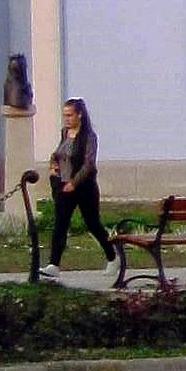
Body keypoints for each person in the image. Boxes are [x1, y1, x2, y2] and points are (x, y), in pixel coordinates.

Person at [48, 95, 110, 269]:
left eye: (70, 115)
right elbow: (59, 153)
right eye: (65, 115)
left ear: (79, 115)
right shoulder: (64, 133)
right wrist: (54, 165)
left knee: (93, 224)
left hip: (84, 187)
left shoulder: (89, 137)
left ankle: (112, 255)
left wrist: (74, 183)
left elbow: (89, 164)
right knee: (60, 224)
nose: (66, 119)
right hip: (63, 186)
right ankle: (54, 265)